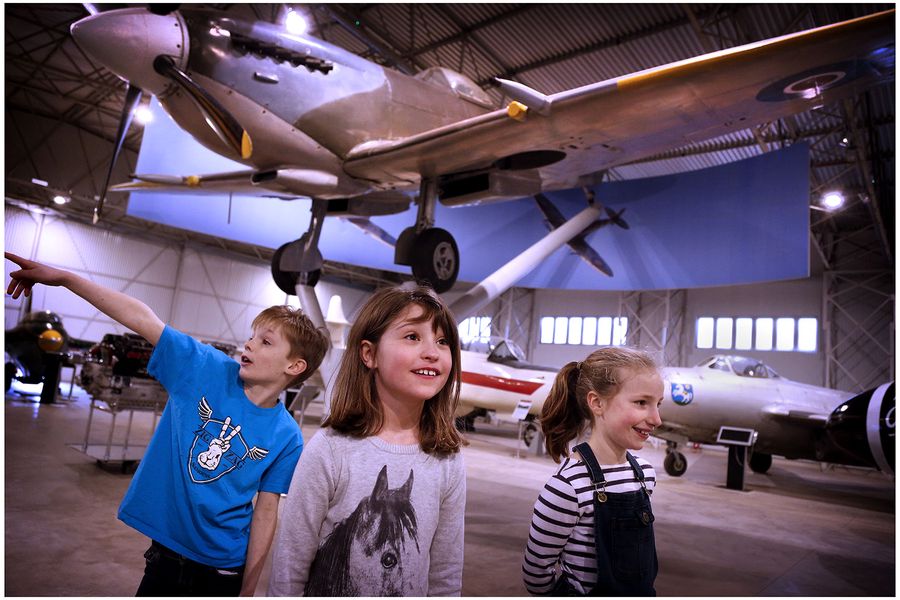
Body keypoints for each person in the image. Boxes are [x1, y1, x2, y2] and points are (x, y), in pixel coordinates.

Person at [5, 251, 329, 596]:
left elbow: (266, 512)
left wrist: (248, 589)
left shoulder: (288, 436)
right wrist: (67, 279)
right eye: (253, 335)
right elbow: (142, 318)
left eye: (266, 342)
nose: (249, 343)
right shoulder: (203, 368)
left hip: (223, 569)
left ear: (294, 366)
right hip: (165, 558)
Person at [267, 284, 467, 596]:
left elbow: (446, 573)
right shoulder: (330, 449)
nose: (432, 352)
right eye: (413, 336)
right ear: (369, 353)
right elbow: (290, 563)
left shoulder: (447, 459)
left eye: (443, 342)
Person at [522, 347, 663, 596]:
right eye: (642, 403)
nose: (656, 418)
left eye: (657, 404)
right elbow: (536, 572)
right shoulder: (569, 485)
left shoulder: (644, 475)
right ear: (597, 403)